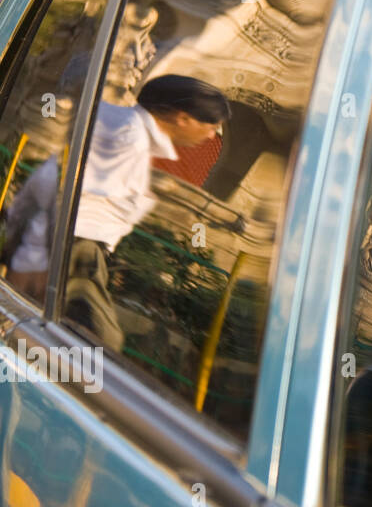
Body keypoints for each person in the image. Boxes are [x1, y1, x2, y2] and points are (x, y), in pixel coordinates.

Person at [3, 75, 230, 349]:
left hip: (67, 243)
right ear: (182, 118)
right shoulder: (129, 140)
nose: (210, 136)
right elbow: (68, 194)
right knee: (100, 341)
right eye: (211, 126)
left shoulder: (113, 118)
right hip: (76, 247)